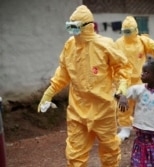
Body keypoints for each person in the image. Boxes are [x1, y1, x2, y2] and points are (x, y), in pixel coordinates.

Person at [37, 5, 131, 167]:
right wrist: (49, 92)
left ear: (87, 27)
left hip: (103, 110)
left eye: (75, 27)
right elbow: (63, 72)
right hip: (77, 111)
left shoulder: (105, 45)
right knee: (75, 153)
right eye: (70, 26)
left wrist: (122, 88)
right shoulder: (70, 46)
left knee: (110, 150)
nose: (72, 31)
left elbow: (122, 67)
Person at [117, 58, 154, 166]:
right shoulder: (138, 90)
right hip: (140, 139)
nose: (142, 74)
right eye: (142, 71)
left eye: (146, 72)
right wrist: (122, 96)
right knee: (138, 163)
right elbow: (119, 95)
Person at [115, 16, 154, 141]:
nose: (127, 34)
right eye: (124, 31)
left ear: (135, 30)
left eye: (129, 31)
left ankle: (145, 126)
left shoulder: (142, 41)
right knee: (124, 105)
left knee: (144, 104)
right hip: (124, 80)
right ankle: (125, 128)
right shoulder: (118, 43)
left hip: (141, 79)